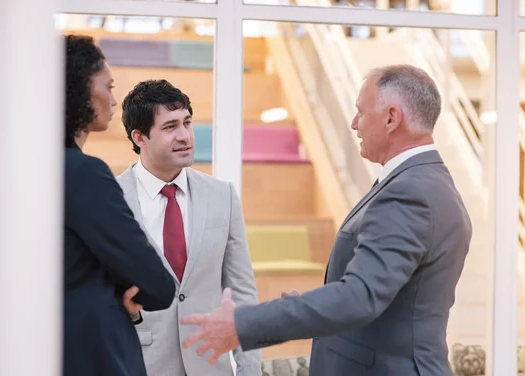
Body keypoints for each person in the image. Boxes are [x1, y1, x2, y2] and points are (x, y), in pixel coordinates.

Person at [180, 64, 473, 376]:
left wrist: (242, 324)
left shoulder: (409, 194)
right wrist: (312, 305)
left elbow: (359, 297)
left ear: (391, 118)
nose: (354, 123)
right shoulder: (428, 182)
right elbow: (380, 297)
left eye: (361, 112)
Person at [116, 79, 261, 376]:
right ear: (140, 137)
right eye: (170, 127)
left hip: (210, 366)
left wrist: (249, 371)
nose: (185, 136)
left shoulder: (223, 195)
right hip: (137, 365)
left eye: (187, 122)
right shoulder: (110, 200)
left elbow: (242, 293)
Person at [63, 35, 176, 376]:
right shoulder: (83, 173)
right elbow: (157, 285)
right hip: (92, 354)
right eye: (108, 86)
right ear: (80, 90)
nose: (114, 99)